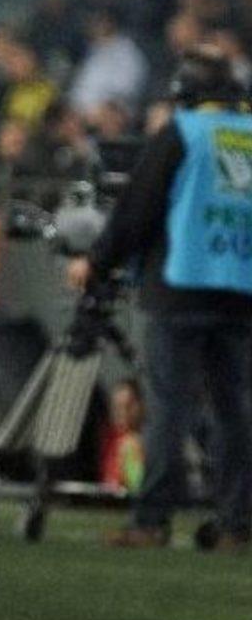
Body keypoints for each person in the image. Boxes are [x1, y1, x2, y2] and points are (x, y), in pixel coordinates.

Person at [68, 45, 252, 550]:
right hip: (240, 289)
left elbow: (136, 211)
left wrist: (97, 261)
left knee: (169, 406)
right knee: (236, 409)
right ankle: (238, 524)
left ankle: (151, 520)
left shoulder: (182, 133)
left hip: (180, 285)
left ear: (185, 92)